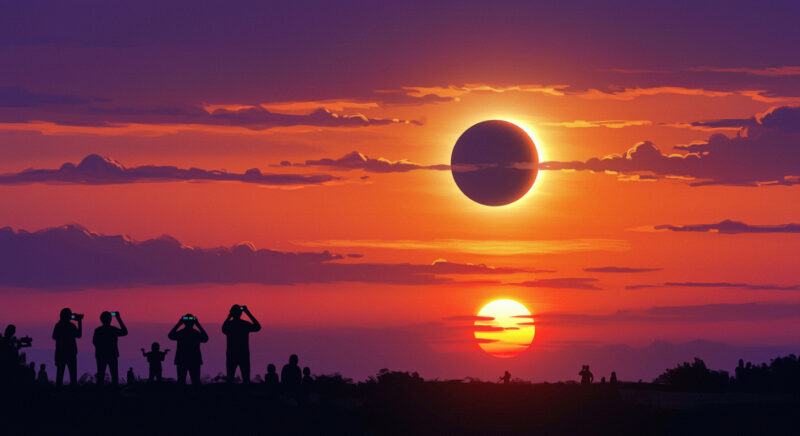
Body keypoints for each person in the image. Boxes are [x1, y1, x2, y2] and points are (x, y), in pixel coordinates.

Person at [221, 304, 261, 383]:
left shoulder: (230, 325)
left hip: (232, 354)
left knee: (230, 378)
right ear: (240, 313)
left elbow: (223, 329)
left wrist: (229, 316)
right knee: (246, 379)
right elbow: (257, 327)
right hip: (243, 354)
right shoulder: (244, 324)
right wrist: (247, 312)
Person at [168, 314, 208, 385]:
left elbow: (170, 335)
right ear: (193, 323)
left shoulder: (181, 333)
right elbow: (205, 338)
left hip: (182, 359)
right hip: (194, 359)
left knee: (181, 381)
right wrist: (198, 324)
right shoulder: (196, 333)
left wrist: (179, 323)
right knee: (196, 382)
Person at [92, 311, 128, 386]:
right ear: (110, 320)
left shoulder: (98, 330)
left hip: (101, 355)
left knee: (101, 376)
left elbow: (95, 342)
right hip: (112, 354)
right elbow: (125, 332)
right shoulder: (113, 329)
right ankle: (114, 393)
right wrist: (118, 318)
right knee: (114, 375)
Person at [52, 308, 82, 387]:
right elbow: (79, 335)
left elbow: (54, 336)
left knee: (60, 375)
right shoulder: (71, 326)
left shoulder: (59, 325)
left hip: (61, 353)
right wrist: (79, 321)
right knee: (72, 376)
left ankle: (59, 393)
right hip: (70, 353)